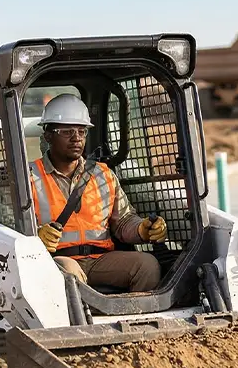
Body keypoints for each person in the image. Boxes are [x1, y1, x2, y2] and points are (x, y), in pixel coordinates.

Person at [29, 93, 166, 293]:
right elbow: (11, 229)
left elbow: (124, 221)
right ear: (48, 135)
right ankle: (83, 321)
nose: (76, 138)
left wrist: (142, 230)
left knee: (147, 266)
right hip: (56, 261)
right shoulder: (29, 176)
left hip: (101, 259)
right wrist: (35, 236)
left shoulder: (103, 174)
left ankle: (132, 317)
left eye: (81, 131)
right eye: (67, 131)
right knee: (69, 271)